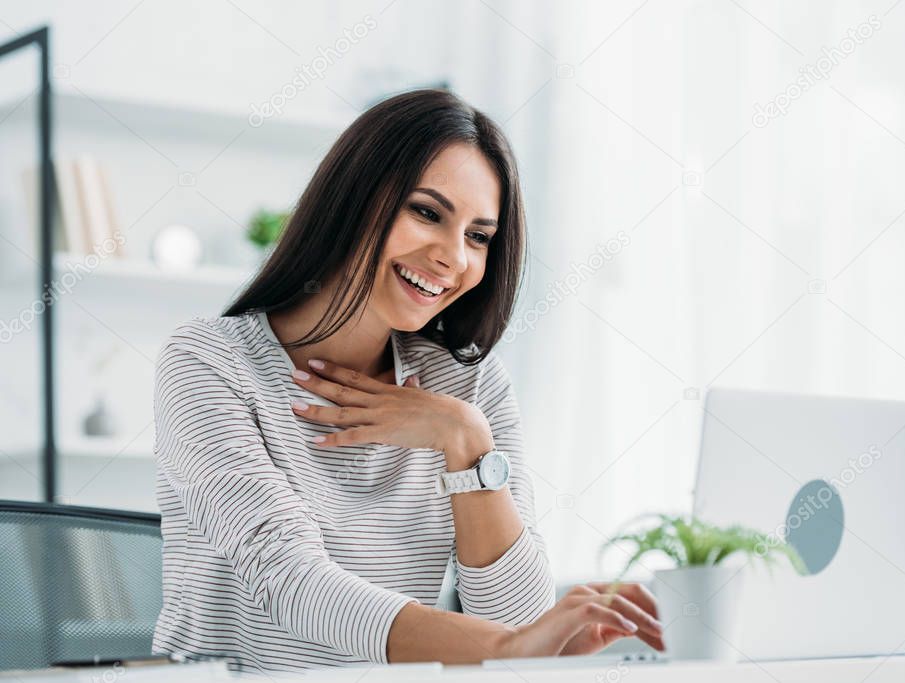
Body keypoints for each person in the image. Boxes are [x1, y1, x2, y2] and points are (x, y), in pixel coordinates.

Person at [151, 89, 663, 672]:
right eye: (427, 212)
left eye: (478, 236)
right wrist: (502, 649)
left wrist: (467, 441)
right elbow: (286, 580)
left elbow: (520, 625)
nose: (452, 257)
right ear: (355, 199)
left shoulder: (467, 386)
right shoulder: (208, 363)